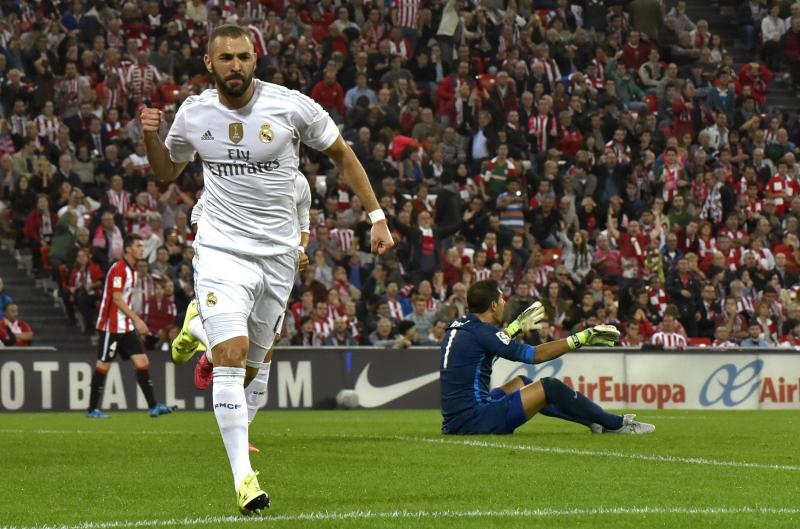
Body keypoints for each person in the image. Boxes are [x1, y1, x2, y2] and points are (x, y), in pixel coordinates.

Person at [141, 24, 393, 515]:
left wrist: (377, 216)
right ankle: (244, 480)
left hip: (277, 257)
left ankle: (199, 323)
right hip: (220, 248)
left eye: (242, 56)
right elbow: (167, 171)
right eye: (226, 58)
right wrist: (149, 137)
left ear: (255, 59)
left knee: (255, 361)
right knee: (233, 357)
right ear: (209, 64)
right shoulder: (193, 114)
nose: (235, 65)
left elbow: (342, 154)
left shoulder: (291, 106)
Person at [174, 169, 312, 454]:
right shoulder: (236, 171)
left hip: (275, 271)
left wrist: (300, 250)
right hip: (231, 269)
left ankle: (243, 425)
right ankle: (203, 336)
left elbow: (304, 227)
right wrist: (218, 250)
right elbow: (198, 214)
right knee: (237, 342)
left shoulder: (299, 183)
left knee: (266, 349)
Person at [440, 280, 655, 435]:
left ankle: (594, 422)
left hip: (456, 418)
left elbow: (487, 349)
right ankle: (616, 424)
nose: (505, 303)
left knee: (522, 383)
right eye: (502, 299)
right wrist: (582, 338)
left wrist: (515, 328)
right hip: (477, 420)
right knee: (549, 386)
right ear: (493, 306)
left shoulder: (460, 326)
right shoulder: (484, 332)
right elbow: (534, 355)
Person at [87, 234, 174, 419]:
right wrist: (137, 319)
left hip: (124, 326)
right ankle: (92, 409)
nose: (142, 249)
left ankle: (153, 406)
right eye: (138, 246)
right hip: (111, 326)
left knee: (142, 361)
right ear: (128, 249)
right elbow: (117, 299)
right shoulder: (119, 269)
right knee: (103, 366)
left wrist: (132, 320)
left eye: (142, 246)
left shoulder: (132, 270)